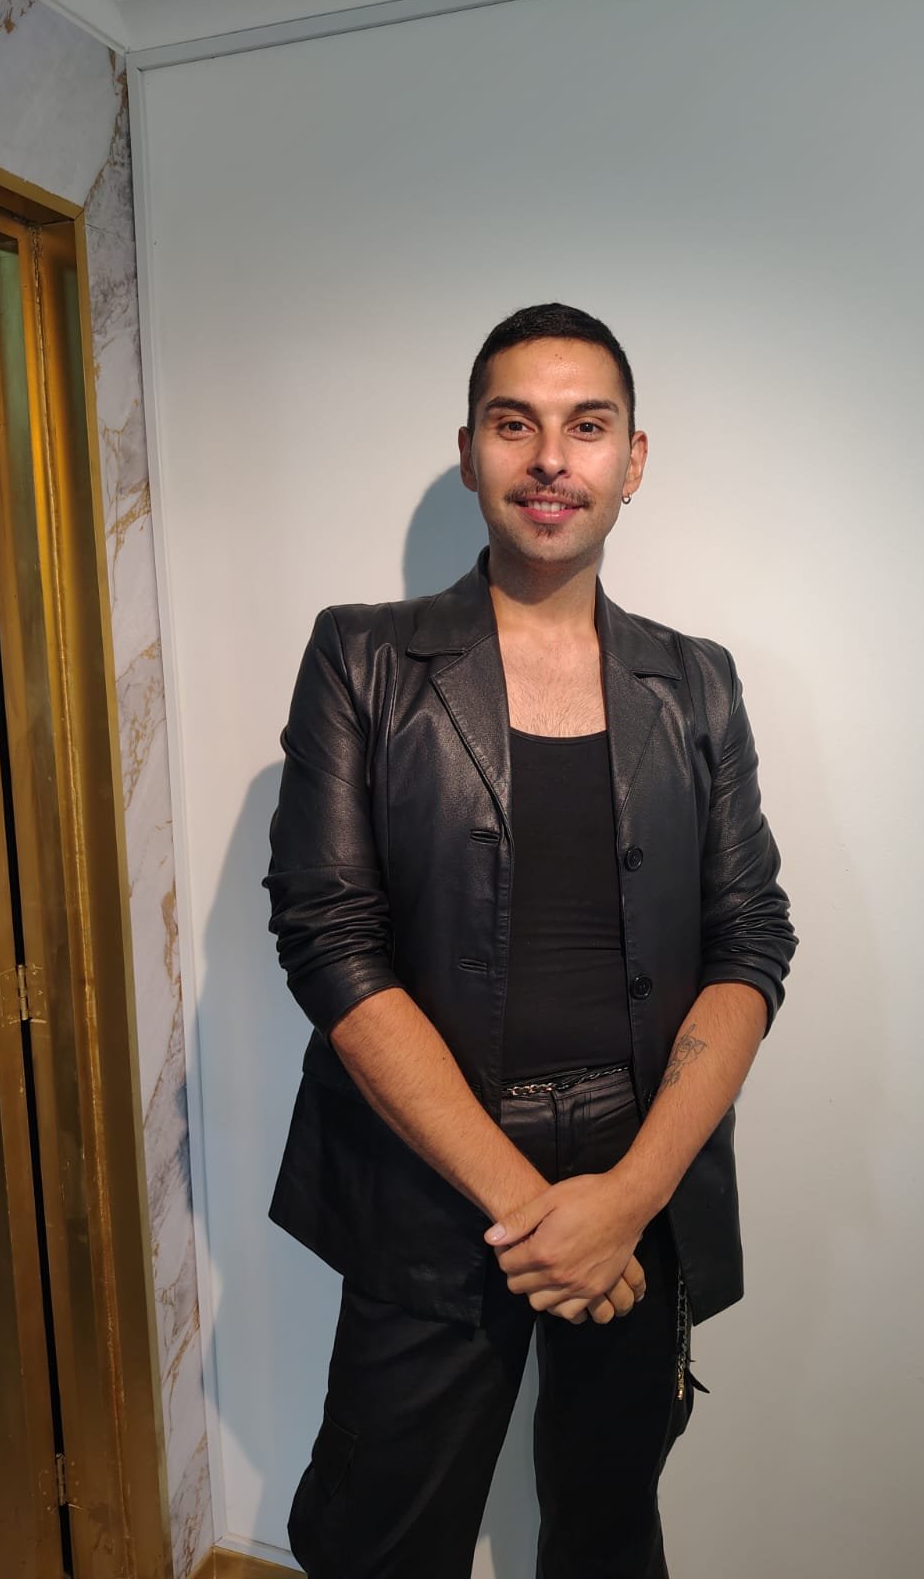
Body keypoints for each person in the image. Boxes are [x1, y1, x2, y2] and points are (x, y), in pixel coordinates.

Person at [262, 303, 797, 1579]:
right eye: (516, 424)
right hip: (431, 1183)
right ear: (470, 451)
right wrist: (536, 1215)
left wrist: (628, 1200)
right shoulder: (364, 658)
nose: (551, 457)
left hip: (639, 1177)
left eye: (587, 427)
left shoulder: (698, 680)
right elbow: (329, 943)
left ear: (633, 459)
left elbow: (751, 938)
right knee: (380, 1542)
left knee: (608, 1533)